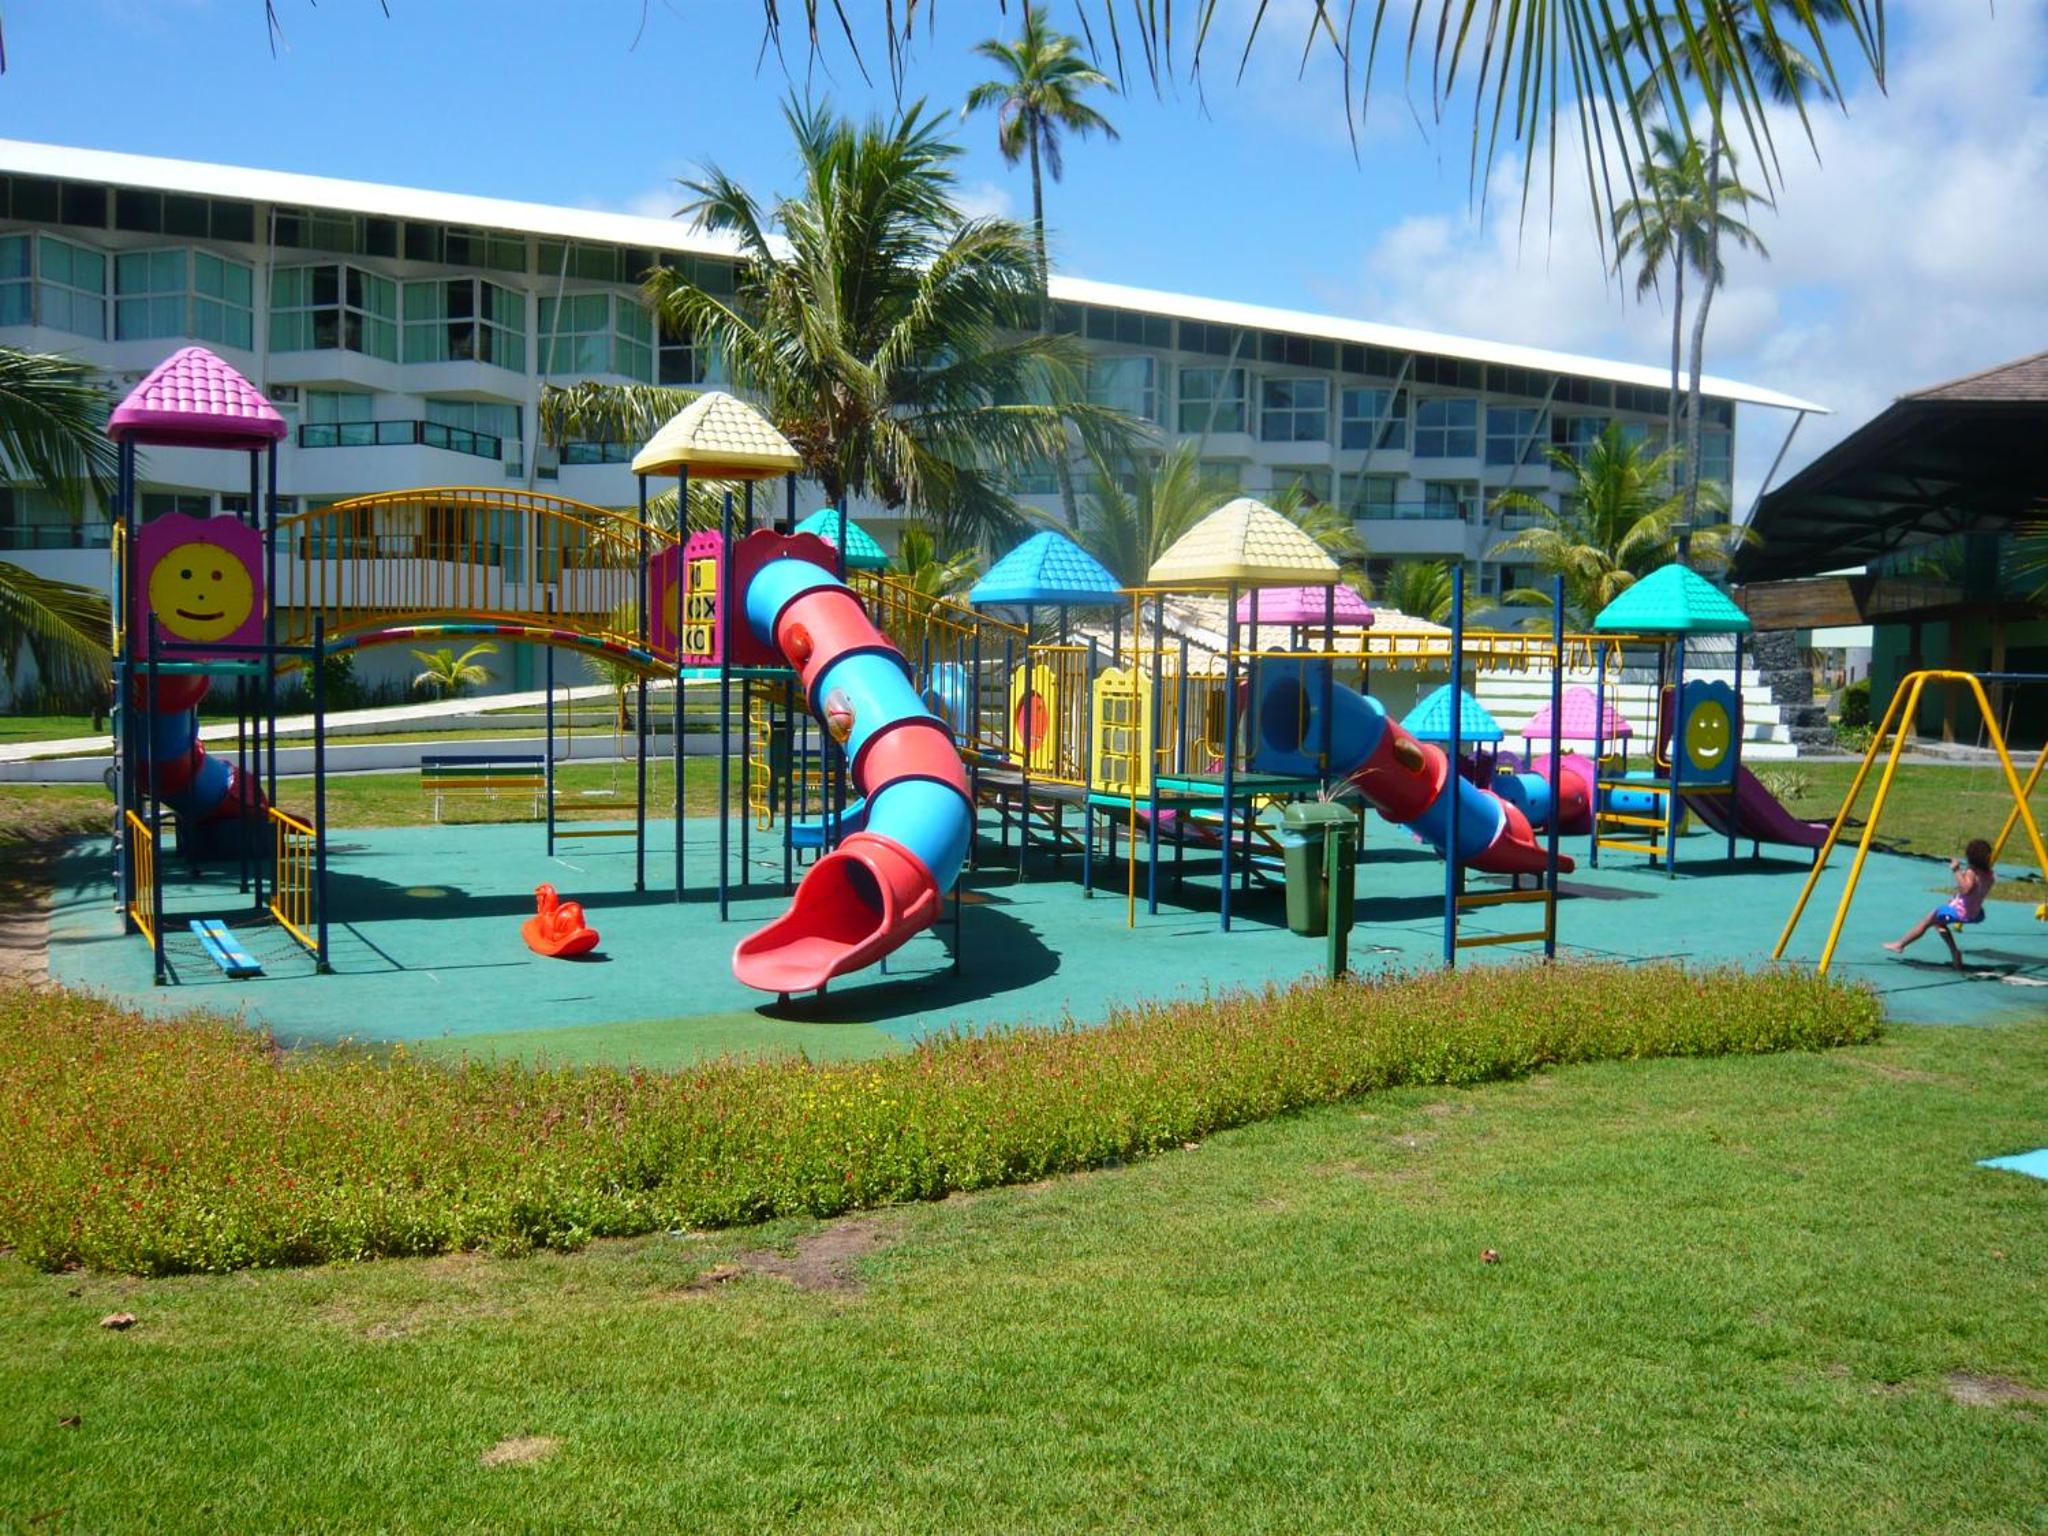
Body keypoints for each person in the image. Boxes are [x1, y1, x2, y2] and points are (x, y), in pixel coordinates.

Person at [1885, 839, 1996, 970]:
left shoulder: (1971, 873)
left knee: (1927, 920)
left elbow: (1966, 889)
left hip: (1961, 913)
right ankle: (1954, 953)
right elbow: (1974, 893)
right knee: (1938, 923)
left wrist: (1956, 870)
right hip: (1976, 913)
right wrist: (1956, 899)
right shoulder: (1989, 875)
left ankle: (1900, 945)